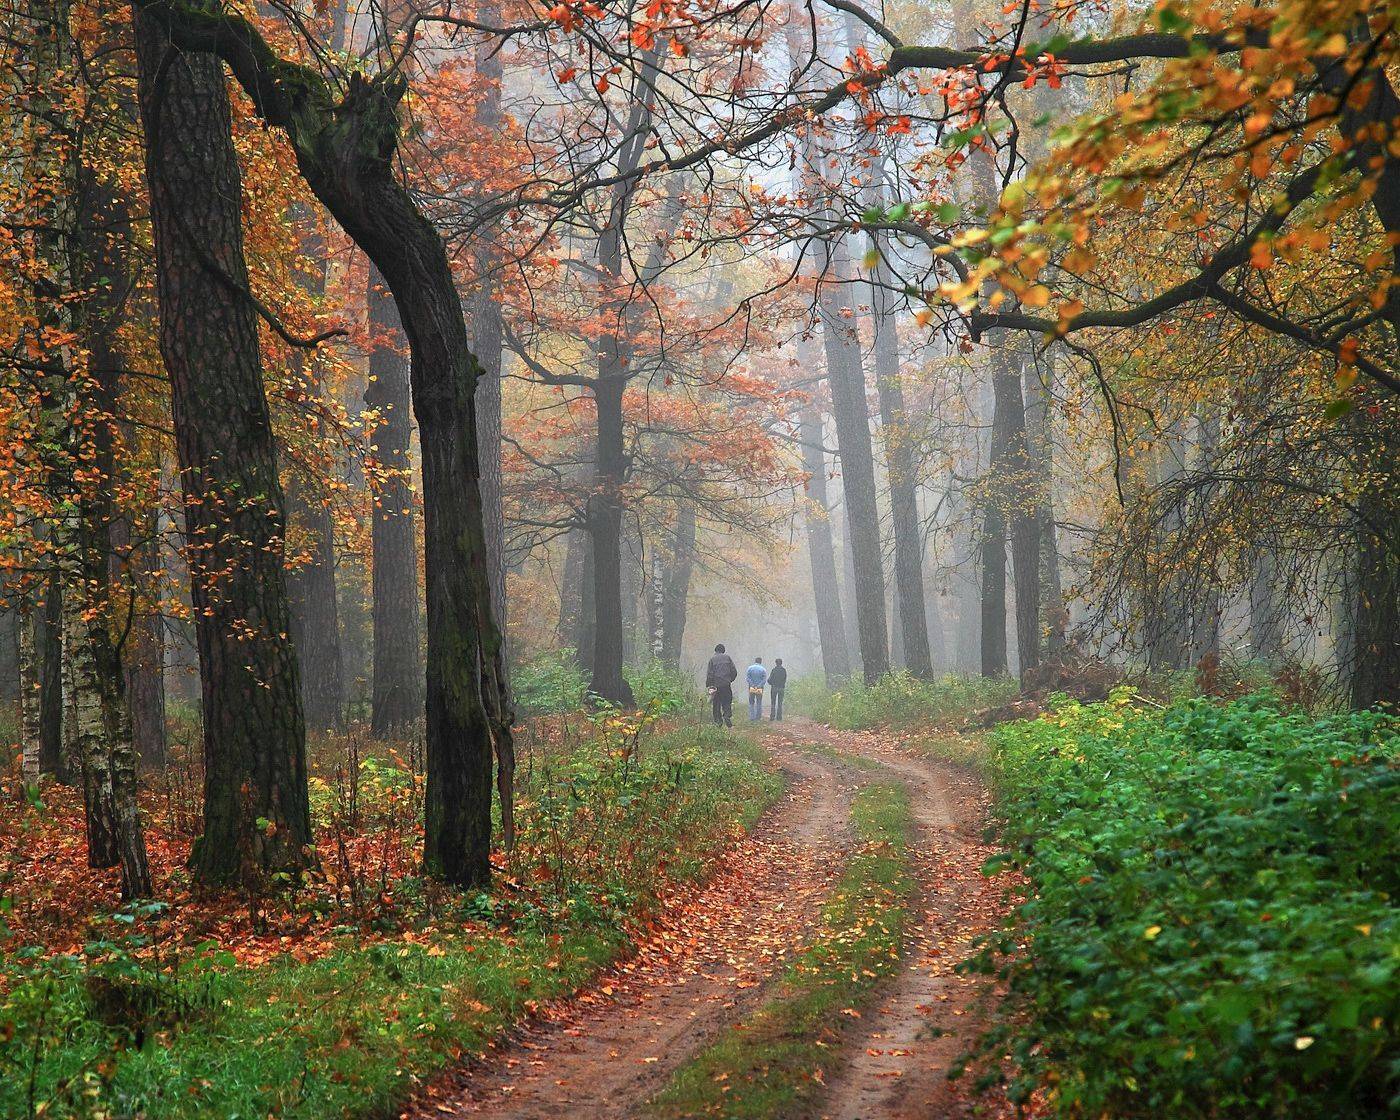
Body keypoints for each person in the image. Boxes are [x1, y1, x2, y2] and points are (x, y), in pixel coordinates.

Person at [705, 643, 738, 727]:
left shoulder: (712, 659)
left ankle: (718, 722)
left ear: (716, 650)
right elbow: (734, 671)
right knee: (727, 701)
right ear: (723, 651)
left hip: (716, 686)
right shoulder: (728, 658)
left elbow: (710, 674)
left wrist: (709, 685)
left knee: (716, 704)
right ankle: (727, 715)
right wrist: (730, 680)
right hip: (726, 685)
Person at [745, 656, 768, 721]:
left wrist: (752, 684)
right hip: (760, 688)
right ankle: (758, 717)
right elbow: (764, 679)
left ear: (755, 661)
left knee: (751, 702)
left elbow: (747, 678)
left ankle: (752, 717)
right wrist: (759, 686)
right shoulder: (763, 669)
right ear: (761, 661)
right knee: (759, 702)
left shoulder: (750, 668)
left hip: (751, 687)